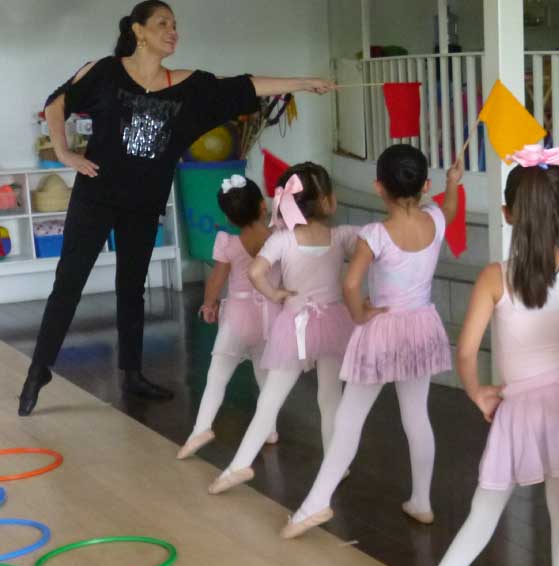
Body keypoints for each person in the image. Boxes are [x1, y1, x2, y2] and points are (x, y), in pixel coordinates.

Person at [18, 0, 333, 416]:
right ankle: (39, 370)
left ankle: (132, 373)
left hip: (143, 203)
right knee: (68, 284)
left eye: (175, 25)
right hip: (96, 196)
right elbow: (57, 101)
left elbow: (243, 86)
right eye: (162, 23)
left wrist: (304, 82)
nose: (172, 31)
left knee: (132, 287)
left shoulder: (189, 86)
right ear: (138, 31)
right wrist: (64, 152)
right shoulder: (105, 71)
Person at [399, 144, 559, 566]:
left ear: (506, 214)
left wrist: (477, 391)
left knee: (489, 500)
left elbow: (467, 353)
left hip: (521, 404)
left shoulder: (494, 277)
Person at [281, 144, 457, 539]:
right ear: (425, 186)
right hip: (421, 326)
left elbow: (350, 283)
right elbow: (450, 210)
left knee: (349, 417)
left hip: (383, 329)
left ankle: (316, 503)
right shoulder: (435, 219)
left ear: (379, 187)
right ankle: (422, 501)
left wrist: (359, 313)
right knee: (417, 416)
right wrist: (453, 184)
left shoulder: (375, 234)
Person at [207, 163, 359, 494]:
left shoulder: (283, 240)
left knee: (271, 399)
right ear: (328, 201)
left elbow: (255, 273)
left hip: (295, 323)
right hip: (333, 321)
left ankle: (239, 465)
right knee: (330, 397)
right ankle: (337, 463)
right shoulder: (342, 237)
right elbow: (373, 249)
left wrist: (274, 294)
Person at [176, 175, 279, 461]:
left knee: (217, 375)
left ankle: (201, 429)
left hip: (238, 315)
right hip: (271, 316)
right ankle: (269, 429)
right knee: (265, 375)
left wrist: (209, 304)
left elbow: (217, 279)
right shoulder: (278, 237)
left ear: (228, 217)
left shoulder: (227, 241)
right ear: (263, 206)